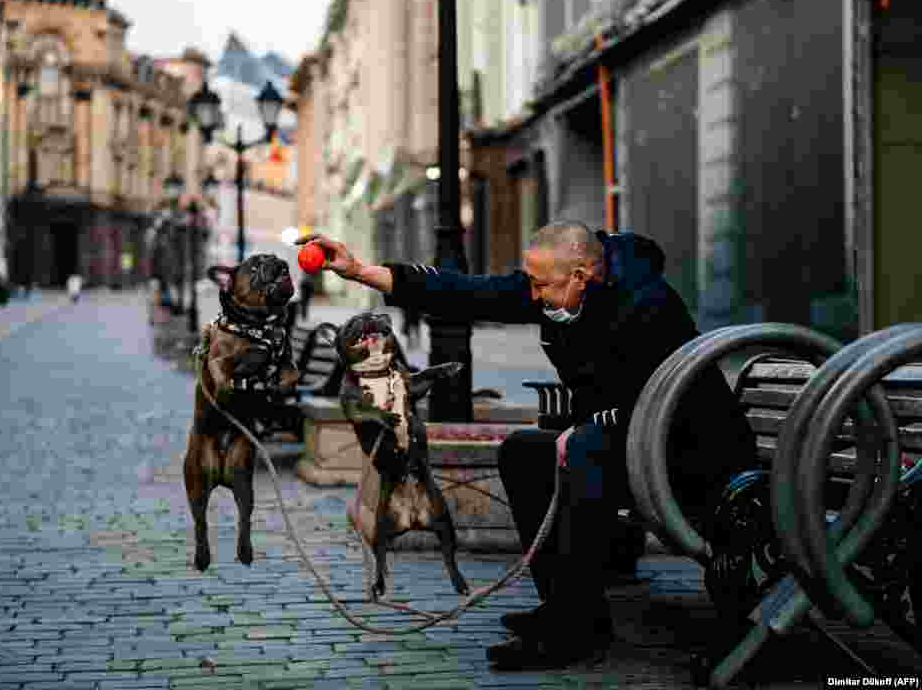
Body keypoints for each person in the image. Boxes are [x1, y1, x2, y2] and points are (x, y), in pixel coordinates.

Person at [296, 222, 756, 670]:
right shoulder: (561, 289)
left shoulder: (650, 304)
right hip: (628, 446)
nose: (533, 296)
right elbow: (468, 291)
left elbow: (659, 397)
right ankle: (566, 607)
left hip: (691, 455)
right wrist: (361, 271)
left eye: (541, 286)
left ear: (580, 276)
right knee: (522, 452)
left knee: (585, 448)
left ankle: (573, 631)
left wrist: (591, 425)